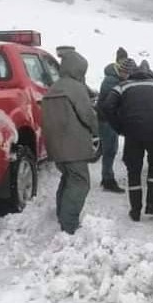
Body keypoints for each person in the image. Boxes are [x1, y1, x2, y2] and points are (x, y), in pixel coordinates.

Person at [102, 58, 153, 221]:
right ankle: (151, 205)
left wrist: (120, 127)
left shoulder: (122, 86)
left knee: (133, 171)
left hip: (132, 133)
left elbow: (107, 107)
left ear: (131, 73)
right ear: (148, 73)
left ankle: (135, 210)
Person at [41, 48, 99, 234]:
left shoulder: (54, 87)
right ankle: (69, 224)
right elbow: (87, 115)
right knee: (80, 182)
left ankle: (62, 214)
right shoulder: (76, 88)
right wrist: (96, 131)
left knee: (67, 179)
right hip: (74, 145)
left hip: (56, 146)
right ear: (77, 69)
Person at [97, 47, 129, 193]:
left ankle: (107, 178)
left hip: (110, 120)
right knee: (109, 150)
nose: (127, 75)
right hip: (106, 120)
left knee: (111, 149)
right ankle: (108, 180)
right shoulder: (111, 80)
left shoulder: (115, 78)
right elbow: (112, 101)